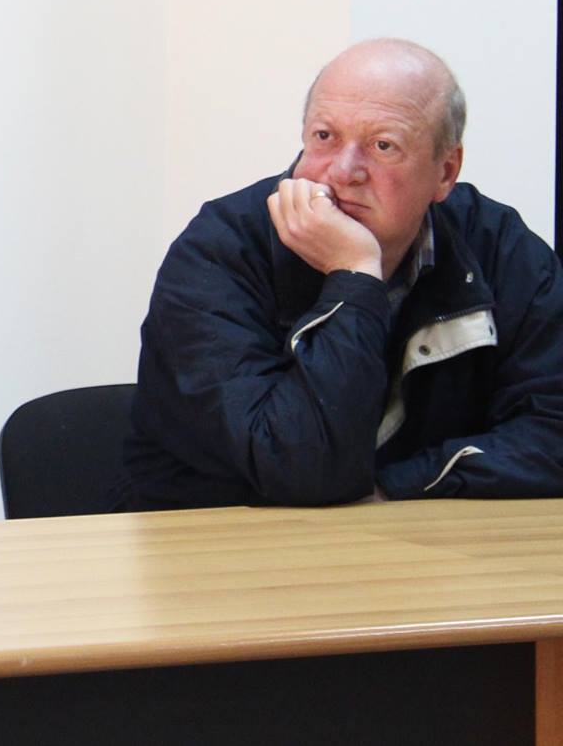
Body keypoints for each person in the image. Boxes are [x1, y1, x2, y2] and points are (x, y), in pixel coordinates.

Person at [123, 39, 563, 509]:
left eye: (383, 145)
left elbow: (552, 430)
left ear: (445, 172)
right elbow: (303, 469)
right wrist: (354, 275)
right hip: (215, 541)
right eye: (324, 136)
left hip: (411, 543)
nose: (344, 171)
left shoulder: (498, 246)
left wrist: (398, 485)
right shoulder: (219, 251)